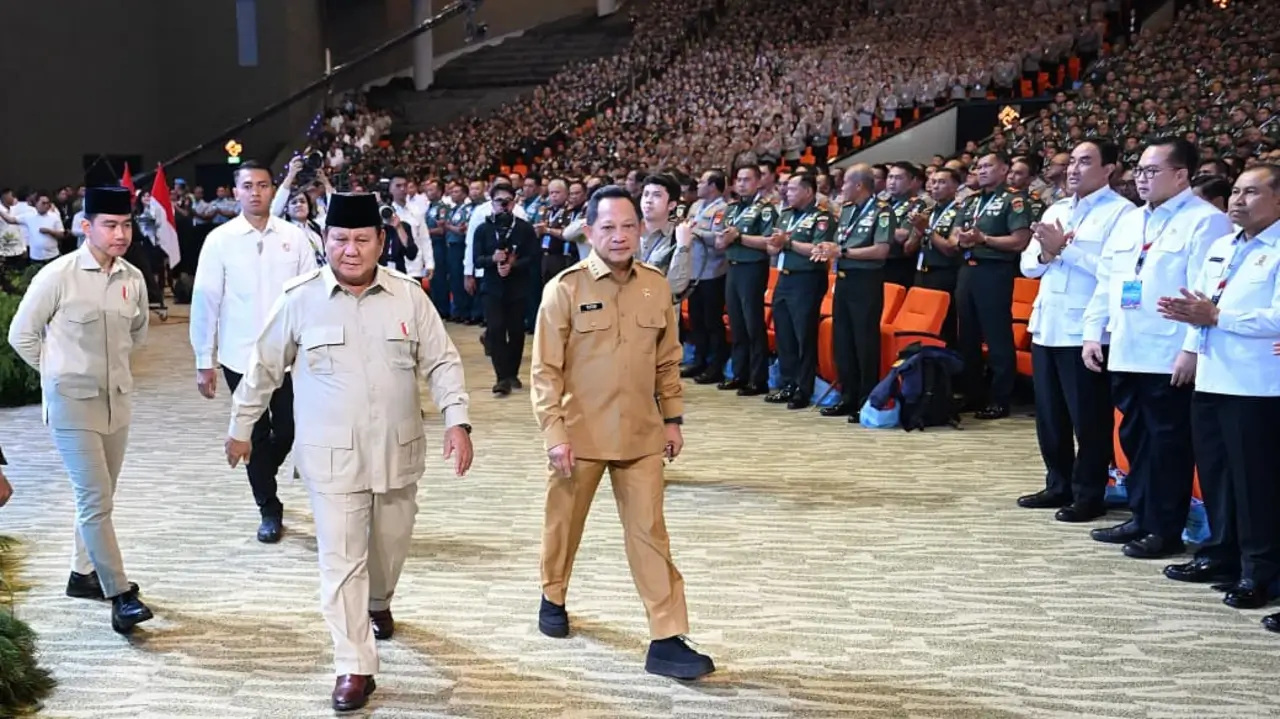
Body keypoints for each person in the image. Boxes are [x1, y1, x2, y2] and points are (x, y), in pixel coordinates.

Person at [225, 193, 473, 712]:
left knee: (389, 547)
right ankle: (354, 664)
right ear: (326, 243)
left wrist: (457, 419)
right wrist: (241, 427)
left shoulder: (408, 297)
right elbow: (263, 369)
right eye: (340, 239)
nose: (351, 250)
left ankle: (379, 602)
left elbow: (443, 362)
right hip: (330, 458)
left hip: (397, 452)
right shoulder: (299, 298)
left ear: (381, 242)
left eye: (362, 239)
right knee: (341, 563)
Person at [530, 185, 715, 681]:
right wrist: (554, 433)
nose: (618, 236)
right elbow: (545, 370)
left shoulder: (656, 286)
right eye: (607, 227)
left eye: (627, 226)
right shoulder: (565, 289)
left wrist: (673, 418)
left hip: (640, 434)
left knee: (650, 533)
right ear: (589, 231)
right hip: (579, 434)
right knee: (564, 525)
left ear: (641, 229)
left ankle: (667, 637)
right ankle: (553, 593)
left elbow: (668, 361)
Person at [6, 186, 154, 634]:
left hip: (117, 402)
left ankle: (81, 575)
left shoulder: (133, 277)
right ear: (85, 227)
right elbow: (21, 334)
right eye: (110, 225)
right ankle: (118, 592)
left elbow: (139, 336)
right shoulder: (59, 275)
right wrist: (57, 374)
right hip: (73, 406)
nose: (120, 233)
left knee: (99, 498)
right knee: (94, 498)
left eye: (126, 224)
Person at [1082, 138, 1233, 559]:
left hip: (1169, 352)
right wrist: (1095, 331)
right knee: (1133, 437)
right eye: (1140, 171)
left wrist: (1190, 350)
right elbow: (1109, 281)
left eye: (1153, 171)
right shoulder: (1131, 220)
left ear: (1181, 175)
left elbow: (1206, 294)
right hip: (1127, 345)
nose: (1142, 179)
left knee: (1168, 443)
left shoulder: (1205, 221)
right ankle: (1141, 515)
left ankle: (1165, 528)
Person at [1158, 165, 1280, 621]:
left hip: (1258, 383)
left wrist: (1217, 318)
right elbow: (1201, 306)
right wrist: (1191, 345)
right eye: (1234, 191)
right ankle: (1222, 553)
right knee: (1217, 474)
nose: (1238, 200)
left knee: (1255, 483)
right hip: (1212, 375)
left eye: (1252, 192)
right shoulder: (1223, 246)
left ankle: (1260, 571)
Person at [190, 161, 318, 543]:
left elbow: (311, 294)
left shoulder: (294, 237)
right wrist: (204, 359)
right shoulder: (220, 239)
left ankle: (263, 470)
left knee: (290, 430)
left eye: (263, 185)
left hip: (291, 357)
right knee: (256, 432)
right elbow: (205, 301)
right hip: (239, 355)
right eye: (248, 186)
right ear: (236, 192)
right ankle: (268, 507)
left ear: (272, 188)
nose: (256, 192)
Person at [1017, 140, 1136, 521]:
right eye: (1071, 162)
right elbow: (1028, 267)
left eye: (1085, 162)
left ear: (1109, 170)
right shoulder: (1056, 208)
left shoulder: (1122, 214)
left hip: (1087, 329)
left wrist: (1064, 251)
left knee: (1089, 417)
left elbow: (1114, 271)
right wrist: (1048, 252)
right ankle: (1058, 483)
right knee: (1050, 414)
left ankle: (1089, 492)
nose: (1073, 170)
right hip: (1047, 324)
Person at [812, 164, 892, 421]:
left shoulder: (882, 211)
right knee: (843, 341)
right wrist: (828, 246)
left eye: (845, 182)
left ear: (859, 185)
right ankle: (848, 396)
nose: (841, 187)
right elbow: (840, 242)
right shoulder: (846, 210)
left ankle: (864, 399)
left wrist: (843, 252)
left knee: (864, 342)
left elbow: (881, 250)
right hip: (844, 279)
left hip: (865, 280)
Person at [472, 182, 538, 395]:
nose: (502, 206)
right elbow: (477, 259)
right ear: (491, 203)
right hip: (492, 287)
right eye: (498, 201)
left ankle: (512, 373)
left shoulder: (524, 228)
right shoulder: (483, 229)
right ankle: (501, 377)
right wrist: (493, 259)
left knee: (516, 331)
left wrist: (514, 264)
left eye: (506, 201)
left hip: (517, 286)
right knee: (496, 329)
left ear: (514, 202)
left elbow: (534, 257)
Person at [716, 165, 776, 396]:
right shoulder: (731, 209)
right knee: (736, 323)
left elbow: (770, 242)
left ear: (758, 181)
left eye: (747, 179)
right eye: (738, 180)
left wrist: (739, 237)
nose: (741, 184)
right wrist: (723, 240)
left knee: (753, 324)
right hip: (732, 267)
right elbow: (721, 239)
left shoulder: (766, 209)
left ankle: (757, 378)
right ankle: (738, 374)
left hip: (753, 267)